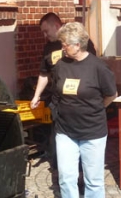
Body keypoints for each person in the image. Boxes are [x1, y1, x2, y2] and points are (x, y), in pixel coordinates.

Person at [49, 22, 117, 198]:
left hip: (92, 131)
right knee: (66, 178)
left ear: (77, 45)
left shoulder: (98, 67)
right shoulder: (60, 65)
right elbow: (56, 92)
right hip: (65, 131)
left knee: (93, 178)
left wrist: (96, 110)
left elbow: (111, 94)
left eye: (65, 44)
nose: (62, 47)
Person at [30, 13, 96, 169]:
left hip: (80, 103)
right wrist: (36, 95)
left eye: (46, 31)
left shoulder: (81, 42)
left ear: (56, 26)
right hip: (58, 103)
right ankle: (62, 174)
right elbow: (44, 73)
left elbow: (92, 67)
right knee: (58, 143)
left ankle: (81, 174)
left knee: (80, 143)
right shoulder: (48, 48)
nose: (45, 35)